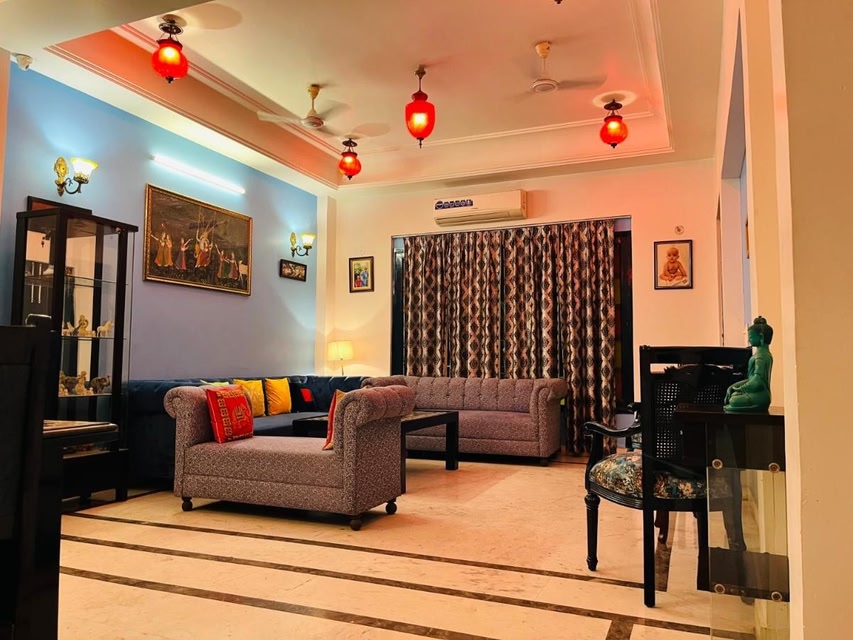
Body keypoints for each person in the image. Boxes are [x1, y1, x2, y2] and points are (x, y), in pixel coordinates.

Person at [724, 316, 773, 412]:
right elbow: (751, 379)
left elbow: (758, 381)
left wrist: (740, 388)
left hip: (760, 395)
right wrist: (733, 387)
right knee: (734, 396)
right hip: (759, 393)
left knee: (734, 400)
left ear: (761, 337)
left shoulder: (761, 357)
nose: (748, 340)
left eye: (750, 337)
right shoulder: (761, 354)